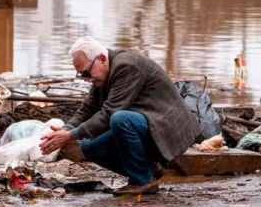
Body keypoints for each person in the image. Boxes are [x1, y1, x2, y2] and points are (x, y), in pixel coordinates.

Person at [40, 36, 201, 196]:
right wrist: (65, 130)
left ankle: (142, 181)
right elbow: (86, 110)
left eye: (86, 73)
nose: (86, 79)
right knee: (89, 147)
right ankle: (148, 169)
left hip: (168, 128)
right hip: (149, 123)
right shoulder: (101, 77)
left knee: (119, 119)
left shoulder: (126, 66)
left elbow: (109, 112)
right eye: (81, 75)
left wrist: (70, 135)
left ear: (102, 59)